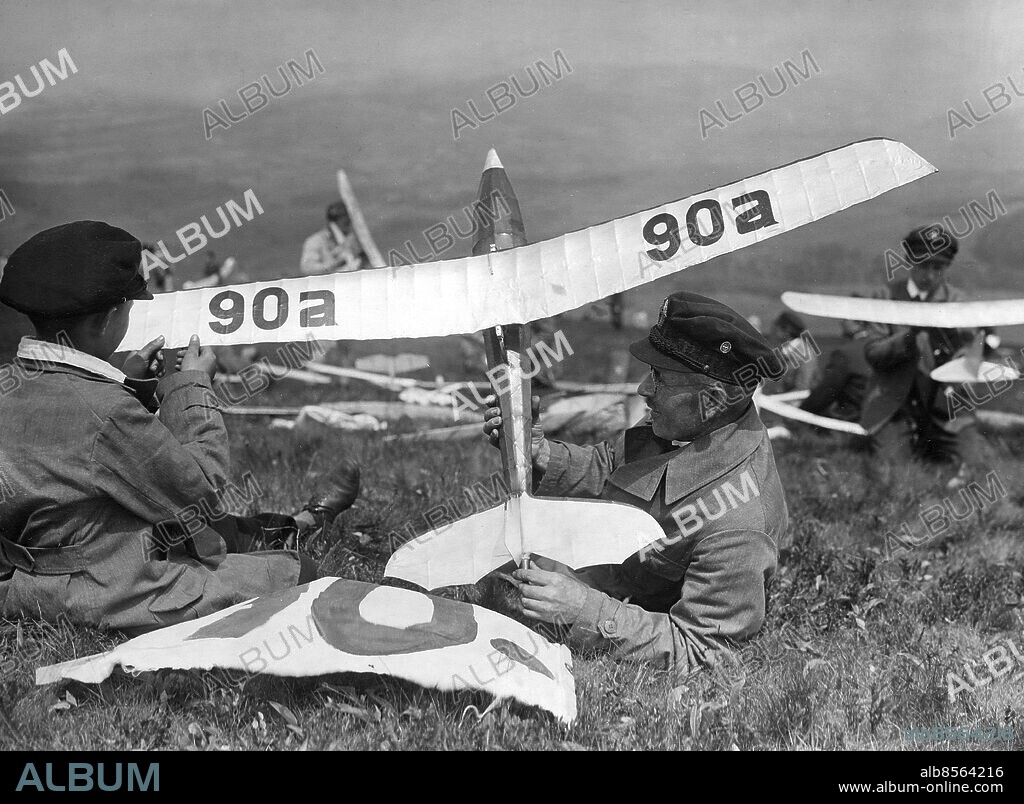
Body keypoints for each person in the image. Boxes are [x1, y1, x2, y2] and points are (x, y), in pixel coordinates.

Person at [0, 221, 359, 634]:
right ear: (107, 320)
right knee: (297, 574)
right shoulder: (104, 411)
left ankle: (296, 524)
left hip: (31, 579)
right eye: (128, 310)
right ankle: (298, 531)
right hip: (97, 588)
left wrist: (129, 386)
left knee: (197, 528)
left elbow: (81, 458)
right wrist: (191, 385)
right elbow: (199, 491)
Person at [483, 291, 788, 674]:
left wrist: (585, 610)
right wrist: (542, 454)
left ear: (710, 401)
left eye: (659, 378)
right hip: (612, 575)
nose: (644, 389)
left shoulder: (739, 522)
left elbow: (702, 651)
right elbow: (614, 465)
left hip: (624, 604)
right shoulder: (691, 421)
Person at [861, 225, 976, 464]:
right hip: (892, 404)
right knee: (893, 474)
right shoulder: (885, 296)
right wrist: (910, 336)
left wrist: (962, 358)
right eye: (923, 265)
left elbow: (968, 351)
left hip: (944, 404)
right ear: (909, 261)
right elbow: (873, 353)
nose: (930, 275)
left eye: (938, 267)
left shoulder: (957, 301)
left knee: (971, 464)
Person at [800, 311, 873, 424]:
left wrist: (800, 413)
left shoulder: (846, 353)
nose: (841, 323)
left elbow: (825, 392)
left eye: (845, 319)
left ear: (859, 323)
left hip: (851, 421)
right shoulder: (878, 345)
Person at [300, 201, 370, 275]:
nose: (349, 221)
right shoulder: (315, 241)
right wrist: (335, 264)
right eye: (346, 219)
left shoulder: (351, 239)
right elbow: (308, 268)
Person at [766, 310, 820, 393]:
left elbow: (802, 390)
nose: (773, 330)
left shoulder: (805, 354)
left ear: (786, 330)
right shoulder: (786, 351)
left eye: (776, 327)